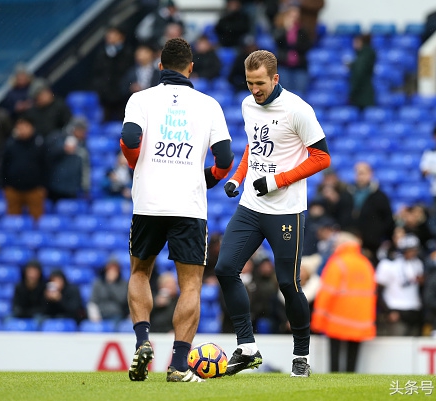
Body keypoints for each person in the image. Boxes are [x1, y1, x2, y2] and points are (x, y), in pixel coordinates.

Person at [120, 38, 234, 383]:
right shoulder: (208, 104)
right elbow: (225, 159)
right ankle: (179, 366)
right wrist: (208, 179)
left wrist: (134, 166)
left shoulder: (140, 99)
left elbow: (129, 139)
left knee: (140, 272)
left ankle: (143, 341)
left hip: (148, 201)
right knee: (191, 286)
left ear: (160, 67)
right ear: (190, 68)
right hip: (188, 203)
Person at [214, 49, 331, 378]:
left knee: (288, 283)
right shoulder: (247, 105)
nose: (255, 90)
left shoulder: (298, 110)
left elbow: (322, 158)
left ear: (276, 78)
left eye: (260, 83)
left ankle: (301, 357)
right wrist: (238, 177)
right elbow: (254, 145)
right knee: (224, 269)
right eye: (250, 83)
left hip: (286, 211)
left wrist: (277, 180)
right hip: (251, 205)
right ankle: (248, 347)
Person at [311, 231, 376, 372]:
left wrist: (318, 319)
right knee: (352, 362)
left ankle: (335, 380)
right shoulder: (365, 263)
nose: (333, 247)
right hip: (360, 319)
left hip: (337, 318)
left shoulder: (337, 263)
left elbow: (326, 293)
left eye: (335, 244)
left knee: (334, 360)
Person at [0, 114, 48, 220]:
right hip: (13, 189)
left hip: (34, 189)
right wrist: (3, 185)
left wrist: (43, 186)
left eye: (25, 126)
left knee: (37, 219)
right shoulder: (10, 144)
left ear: (32, 127)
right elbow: (3, 165)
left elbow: (46, 165)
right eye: (19, 127)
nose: (22, 129)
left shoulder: (39, 144)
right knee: (12, 221)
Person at [375, 234, 424, 337]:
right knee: (396, 346)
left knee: (412, 349)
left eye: (415, 249)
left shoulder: (418, 263)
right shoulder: (388, 264)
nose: (413, 252)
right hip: (395, 310)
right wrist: (388, 311)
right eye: (410, 249)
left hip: (414, 311)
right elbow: (378, 290)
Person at [347, 161, 395, 266]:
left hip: (372, 246)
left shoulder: (380, 196)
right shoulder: (348, 194)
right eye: (358, 173)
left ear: (370, 174)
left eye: (362, 173)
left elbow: (387, 220)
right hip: (351, 243)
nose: (360, 176)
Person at [92, 26, 135, 121]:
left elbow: (129, 74)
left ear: (121, 37)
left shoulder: (129, 53)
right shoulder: (101, 53)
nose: (109, 36)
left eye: (113, 34)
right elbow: (97, 73)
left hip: (123, 96)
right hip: (105, 96)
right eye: (108, 34)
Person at [46, 117, 91, 202]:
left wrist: (85, 187)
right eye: (82, 131)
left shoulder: (83, 145)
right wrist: (63, 150)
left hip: (72, 188)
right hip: (55, 186)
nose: (84, 134)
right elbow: (48, 155)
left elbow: (85, 167)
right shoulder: (57, 138)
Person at [273, 3, 313, 94]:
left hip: (299, 66)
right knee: (285, 94)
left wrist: (294, 43)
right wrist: (286, 30)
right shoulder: (279, 29)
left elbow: (306, 46)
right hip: (284, 64)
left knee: (299, 94)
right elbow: (277, 42)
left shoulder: (302, 30)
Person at [87, 258, 129, 324]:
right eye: (110, 269)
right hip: (101, 314)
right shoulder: (98, 283)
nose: (111, 272)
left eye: (114, 270)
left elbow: (122, 300)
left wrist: (111, 284)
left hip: (117, 315)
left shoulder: (123, 284)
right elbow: (93, 301)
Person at [348, 34, 376, 110]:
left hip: (361, 96)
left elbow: (358, 74)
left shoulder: (362, 57)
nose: (353, 45)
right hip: (365, 94)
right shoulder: (365, 55)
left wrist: (352, 93)